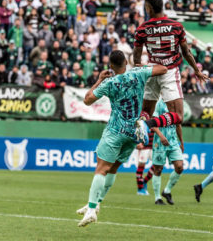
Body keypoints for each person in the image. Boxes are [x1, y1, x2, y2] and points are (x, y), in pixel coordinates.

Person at [76, 50, 181, 227]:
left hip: (115, 131)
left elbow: (87, 100)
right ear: (126, 62)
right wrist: (143, 66)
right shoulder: (138, 73)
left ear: (110, 66)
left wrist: (100, 79)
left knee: (101, 169)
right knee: (113, 168)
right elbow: (163, 69)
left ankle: (92, 209)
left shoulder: (109, 82)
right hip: (134, 133)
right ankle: (97, 201)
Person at [133, 0, 208, 152]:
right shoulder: (176, 26)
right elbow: (187, 53)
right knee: (178, 116)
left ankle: (143, 124)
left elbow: (137, 58)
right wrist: (197, 70)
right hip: (169, 72)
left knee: (146, 111)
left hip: (151, 70)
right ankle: (148, 124)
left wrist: (140, 70)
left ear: (148, 8)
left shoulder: (142, 29)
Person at [151, 99, 184, 205]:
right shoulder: (159, 104)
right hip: (159, 142)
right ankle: (157, 198)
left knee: (179, 167)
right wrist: (161, 136)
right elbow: (153, 122)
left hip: (173, 142)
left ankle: (167, 190)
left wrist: (182, 141)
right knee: (158, 169)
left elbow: (178, 124)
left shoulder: (176, 104)